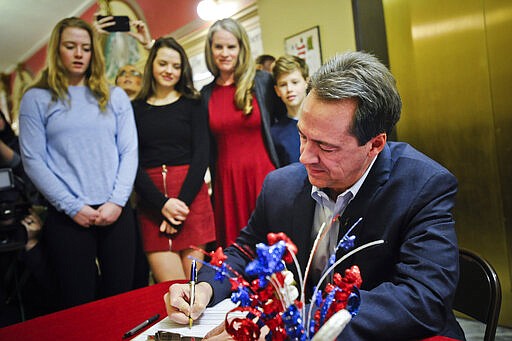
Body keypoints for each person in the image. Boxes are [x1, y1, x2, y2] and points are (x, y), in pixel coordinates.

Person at [164, 51, 465, 340]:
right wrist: (204, 287)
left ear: (375, 144)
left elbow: (424, 298)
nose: (305, 157)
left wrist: (295, 324)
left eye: (326, 147)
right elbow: (244, 251)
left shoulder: (422, 186)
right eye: (303, 136)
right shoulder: (281, 185)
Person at [18, 17, 138, 309]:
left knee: (122, 300)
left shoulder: (115, 96)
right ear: (57, 51)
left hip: (116, 211)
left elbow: (129, 151)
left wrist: (116, 202)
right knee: (77, 302)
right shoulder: (36, 98)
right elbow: (34, 160)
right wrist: (73, 207)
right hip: (68, 216)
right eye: (70, 46)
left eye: (85, 47)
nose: (79, 54)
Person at [132, 36, 215, 282]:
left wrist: (180, 206)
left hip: (190, 199)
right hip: (152, 202)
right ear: (152, 65)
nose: (169, 70)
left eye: (176, 66)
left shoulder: (194, 103)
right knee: (170, 288)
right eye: (163, 63)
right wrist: (162, 205)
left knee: (193, 287)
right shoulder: (134, 108)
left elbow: (202, 154)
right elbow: (131, 162)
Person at [201, 18, 284, 248]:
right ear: (210, 50)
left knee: (273, 250)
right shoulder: (206, 94)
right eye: (219, 47)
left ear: (241, 48)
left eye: (231, 46)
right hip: (227, 184)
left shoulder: (262, 82)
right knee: (235, 253)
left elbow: (285, 123)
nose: (225, 53)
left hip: (263, 177)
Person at [271, 55, 309, 166]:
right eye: (283, 85)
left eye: (295, 82)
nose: (289, 89)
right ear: (277, 90)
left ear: (306, 82)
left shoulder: (324, 121)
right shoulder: (275, 133)